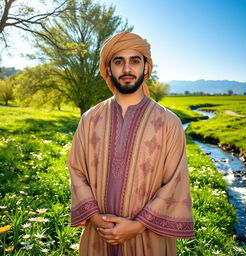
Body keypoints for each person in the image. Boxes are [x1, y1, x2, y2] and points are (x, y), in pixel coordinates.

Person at [67, 31, 194, 256]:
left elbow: (175, 182)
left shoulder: (169, 123)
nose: (127, 69)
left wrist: (137, 225)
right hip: (99, 237)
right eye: (119, 61)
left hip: (149, 240)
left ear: (146, 68)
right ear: (108, 69)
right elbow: (76, 171)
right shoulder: (90, 119)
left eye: (135, 61)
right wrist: (97, 219)